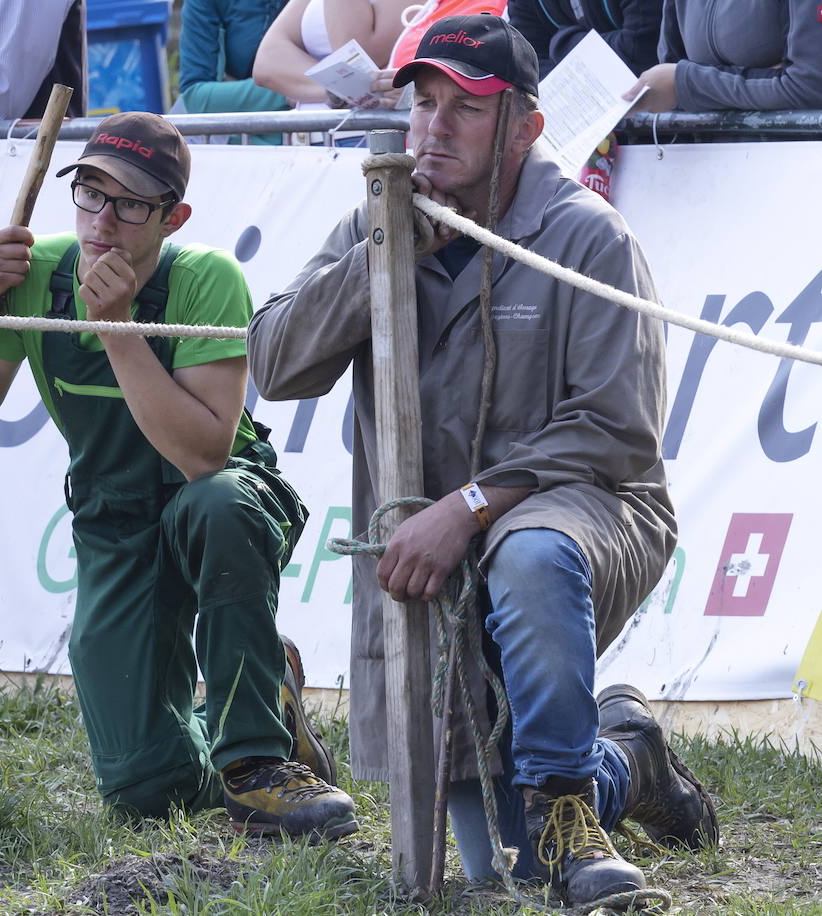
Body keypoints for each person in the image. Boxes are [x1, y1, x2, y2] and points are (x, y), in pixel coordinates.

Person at [247, 14, 717, 905]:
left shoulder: (590, 236)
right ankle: (625, 765)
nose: (433, 128)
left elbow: (617, 432)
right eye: (423, 104)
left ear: (527, 127)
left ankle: (571, 806)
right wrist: (381, 258)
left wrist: (466, 506)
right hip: (431, 547)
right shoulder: (377, 218)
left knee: (530, 553)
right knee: (501, 856)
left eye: (465, 109)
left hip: (583, 512)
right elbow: (274, 363)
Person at [0, 111, 358, 839]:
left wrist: (119, 330)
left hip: (219, 497)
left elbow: (204, 456)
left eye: (131, 204)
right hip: (114, 519)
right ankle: (271, 700)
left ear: (173, 217)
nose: (104, 220)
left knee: (217, 507)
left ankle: (258, 766)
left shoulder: (206, 279)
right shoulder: (37, 274)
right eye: (91, 194)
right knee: (143, 792)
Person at [628, 0, 822, 112]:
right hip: (711, 162)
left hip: (797, 165)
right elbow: (668, 77)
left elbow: (808, 88)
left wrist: (689, 84)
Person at [252, 0, 410, 109]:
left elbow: (355, 56)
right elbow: (267, 64)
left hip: (370, 137)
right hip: (312, 135)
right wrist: (335, 91)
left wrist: (307, 86)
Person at [176, 0, 290, 144]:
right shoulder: (206, 4)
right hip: (244, 140)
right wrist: (291, 88)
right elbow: (195, 96)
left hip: (316, 136)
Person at [507, 0, 660, 76]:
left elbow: (641, 56)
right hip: (578, 120)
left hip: (666, 125)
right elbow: (527, 70)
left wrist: (563, 44)